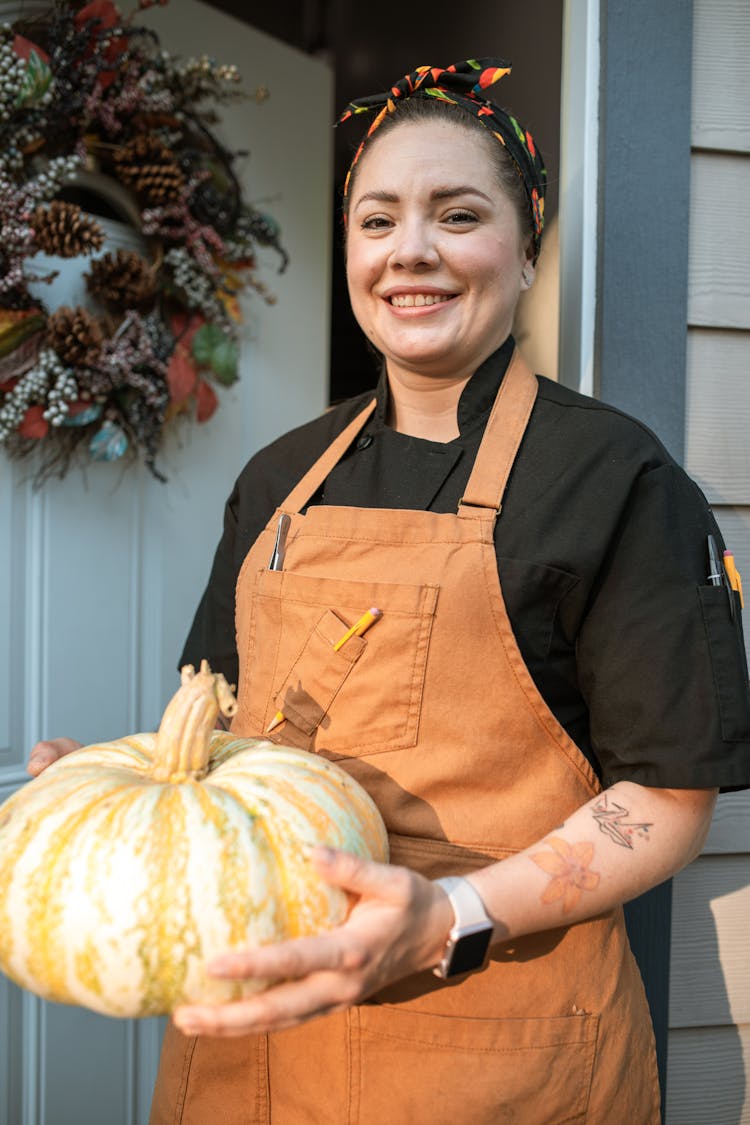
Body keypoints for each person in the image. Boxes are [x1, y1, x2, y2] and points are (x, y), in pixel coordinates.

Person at [29, 59, 750, 1124]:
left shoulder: (613, 478)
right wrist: (123, 782)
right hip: (249, 1047)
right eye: (379, 220)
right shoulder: (282, 474)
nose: (411, 251)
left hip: (491, 1054)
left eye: (457, 214)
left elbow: (669, 802)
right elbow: (226, 727)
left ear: (527, 245)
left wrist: (446, 911)